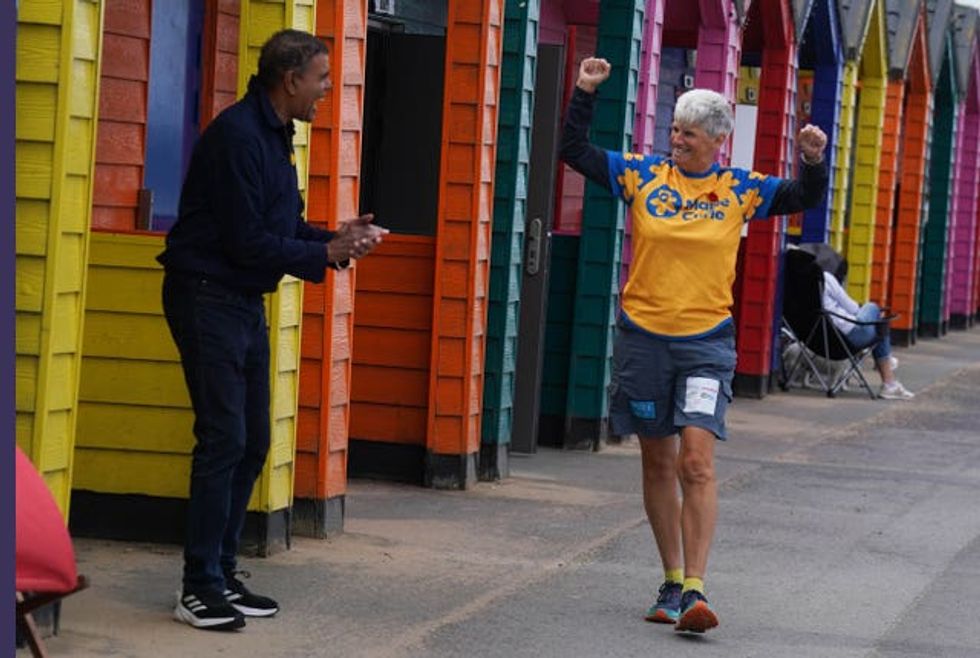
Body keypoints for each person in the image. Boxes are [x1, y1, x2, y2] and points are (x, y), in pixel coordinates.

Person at [560, 57, 828, 633]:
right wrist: (584, 90)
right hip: (644, 338)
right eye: (674, 129)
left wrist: (812, 160)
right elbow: (574, 151)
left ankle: (698, 591)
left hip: (706, 343)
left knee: (697, 462)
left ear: (714, 141)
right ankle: (672, 579)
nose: (675, 139)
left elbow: (803, 197)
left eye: (687, 133)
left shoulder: (740, 189)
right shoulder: (643, 176)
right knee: (657, 459)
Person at [158, 29, 387, 631]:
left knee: (253, 440)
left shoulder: (275, 134)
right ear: (291, 81)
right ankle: (197, 584)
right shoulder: (237, 136)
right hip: (206, 297)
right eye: (322, 79)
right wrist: (326, 250)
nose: (327, 90)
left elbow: (279, 226)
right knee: (223, 440)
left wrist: (335, 238)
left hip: (238, 300)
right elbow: (245, 241)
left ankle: (223, 574)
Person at [820, 270, 913, 400]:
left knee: (875, 322)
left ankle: (887, 371)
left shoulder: (789, 284)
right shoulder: (824, 278)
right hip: (848, 338)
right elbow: (852, 308)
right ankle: (888, 376)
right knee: (873, 309)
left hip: (814, 341)